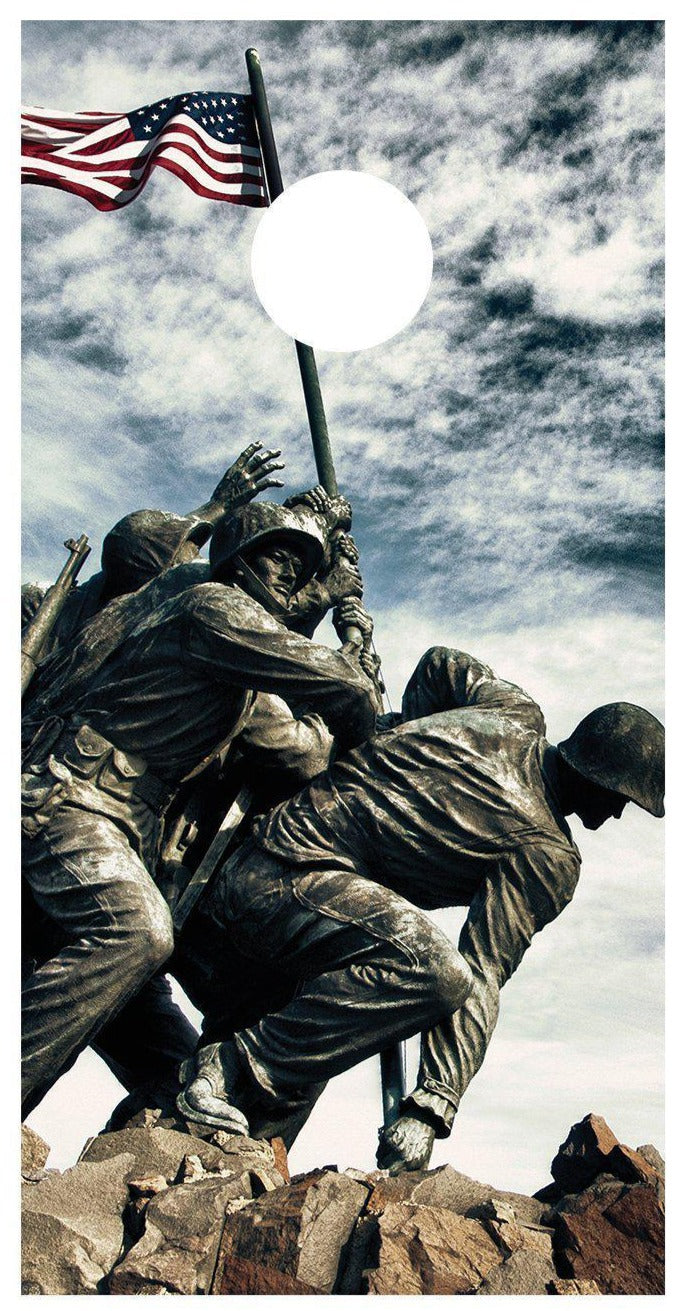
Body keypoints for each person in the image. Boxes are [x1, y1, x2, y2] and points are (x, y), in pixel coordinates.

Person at [173, 646, 664, 1173]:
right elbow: (479, 972)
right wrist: (432, 1104)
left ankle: (216, 1162)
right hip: (283, 882)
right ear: (599, 777)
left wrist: (400, 733)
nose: (618, 813)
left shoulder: (513, 710)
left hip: (269, 873)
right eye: (623, 798)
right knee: (433, 972)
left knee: (307, 1065)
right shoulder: (547, 854)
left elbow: (438, 666)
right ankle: (225, 1068)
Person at [21, 501, 380, 1119]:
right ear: (238, 559)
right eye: (280, 559)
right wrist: (351, 654)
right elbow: (340, 687)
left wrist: (347, 660)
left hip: (124, 829)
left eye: (302, 570)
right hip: (69, 800)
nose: (291, 576)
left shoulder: (236, 670)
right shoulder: (213, 608)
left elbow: (296, 752)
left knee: (173, 1070)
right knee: (136, 932)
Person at [21, 440, 286, 656]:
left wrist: (220, 507)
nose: (194, 561)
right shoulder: (37, 603)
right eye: (186, 554)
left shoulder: (154, 624)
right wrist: (217, 507)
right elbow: (137, 540)